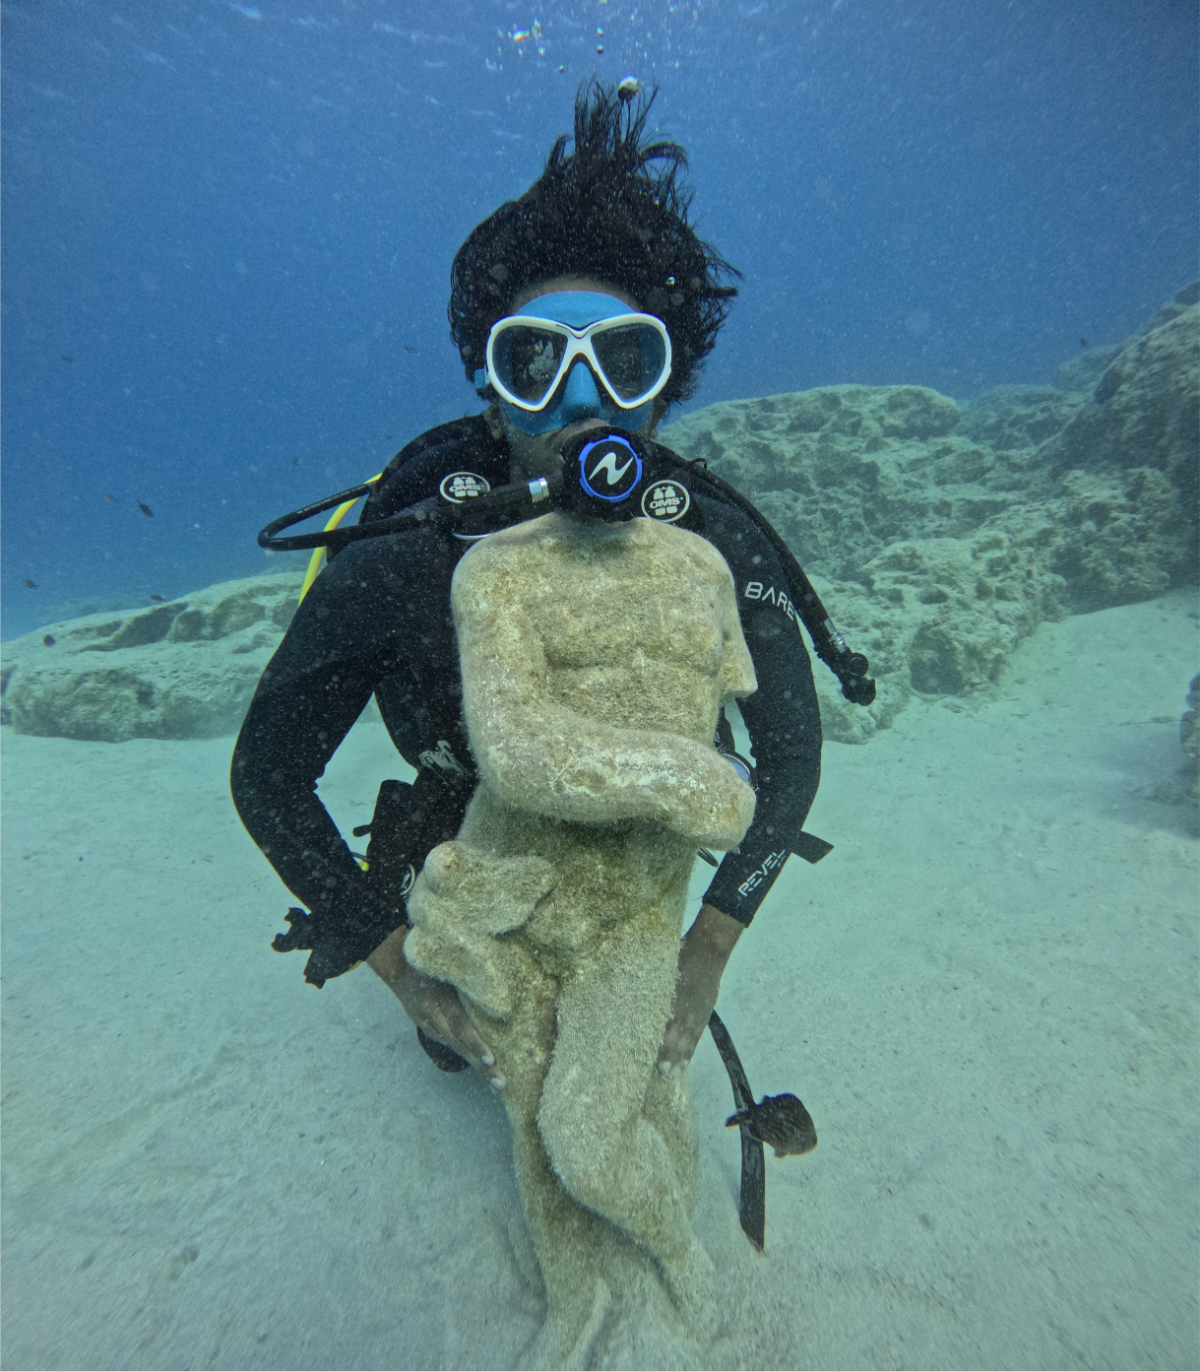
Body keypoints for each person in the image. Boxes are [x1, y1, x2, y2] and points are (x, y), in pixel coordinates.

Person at [230, 81, 823, 1092]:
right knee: (460, 1048)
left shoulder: (715, 552)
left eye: (624, 362)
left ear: (661, 391)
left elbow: (791, 755)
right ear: (493, 396)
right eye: (537, 363)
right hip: (469, 815)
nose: (580, 404)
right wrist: (399, 973)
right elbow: (269, 778)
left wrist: (704, 954)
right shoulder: (408, 560)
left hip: (636, 835)